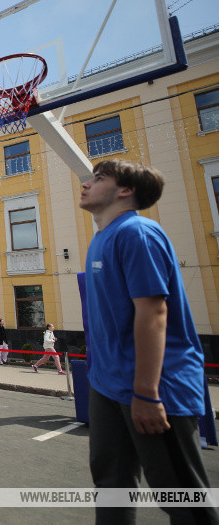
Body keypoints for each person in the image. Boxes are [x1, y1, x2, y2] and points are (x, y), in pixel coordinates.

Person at [80, 159, 217, 524]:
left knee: (182, 497)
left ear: (124, 190)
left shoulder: (137, 232)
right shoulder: (101, 238)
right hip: (108, 384)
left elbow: (153, 313)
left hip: (154, 387)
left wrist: (146, 392)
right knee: (111, 484)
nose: (86, 184)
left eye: (98, 178)